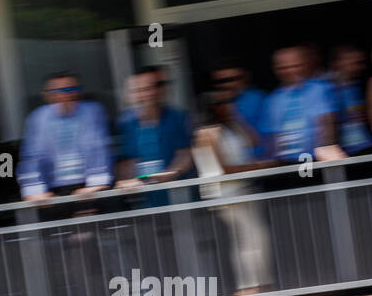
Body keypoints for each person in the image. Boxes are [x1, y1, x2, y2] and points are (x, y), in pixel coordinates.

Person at [193, 90, 275, 296]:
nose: (229, 106)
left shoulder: (229, 128)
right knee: (252, 237)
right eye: (222, 103)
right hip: (227, 193)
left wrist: (237, 121)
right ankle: (251, 287)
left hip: (242, 189)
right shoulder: (207, 133)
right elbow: (224, 168)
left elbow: (252, 140)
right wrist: (256, 166)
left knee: (251, 238)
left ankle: (255, 286)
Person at [17, 71, 112, 202]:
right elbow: (32, 157)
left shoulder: (92, 111)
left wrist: (96, 185)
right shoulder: (38, 117)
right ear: (46, 96)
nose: (66, 95)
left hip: (89, 186)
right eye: (57, 91)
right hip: (52, 192)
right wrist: (34, 191)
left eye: (71, 89)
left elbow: (99, 150)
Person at [115, 67, 193, 205]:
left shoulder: (176, 117)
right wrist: (128, 180)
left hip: (177, 196)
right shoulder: (126, 123)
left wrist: (172, 172)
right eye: (140, 90)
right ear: (132, 94)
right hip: (144, 199)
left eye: (151, 88)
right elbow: (125, 161)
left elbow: (185, 154)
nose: (148, 94)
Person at [262, 45, 347, 164]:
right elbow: (272, 140)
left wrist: (326, 155)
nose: (290, 71)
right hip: (288, 164)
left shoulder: (321, 89)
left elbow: (327, 124)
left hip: (317, 158)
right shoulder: (271, 100)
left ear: (305, 64)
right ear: (275, 69)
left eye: (295, 66)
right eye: (283, 68)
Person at [209, 60, 268, 158]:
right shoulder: (212, 104)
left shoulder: (258, 99)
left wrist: (230, 112)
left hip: (258, 159)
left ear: (244, 78)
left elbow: (256, 140)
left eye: (232, 79)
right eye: (221, 81)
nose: (227, 85)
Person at [327, 45, 372, 155]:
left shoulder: (362, 84)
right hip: (343, 151)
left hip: (367, 146)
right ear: (337, 63)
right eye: (352, 62)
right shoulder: (328, 89)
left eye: (359, 62)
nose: (358, 67)